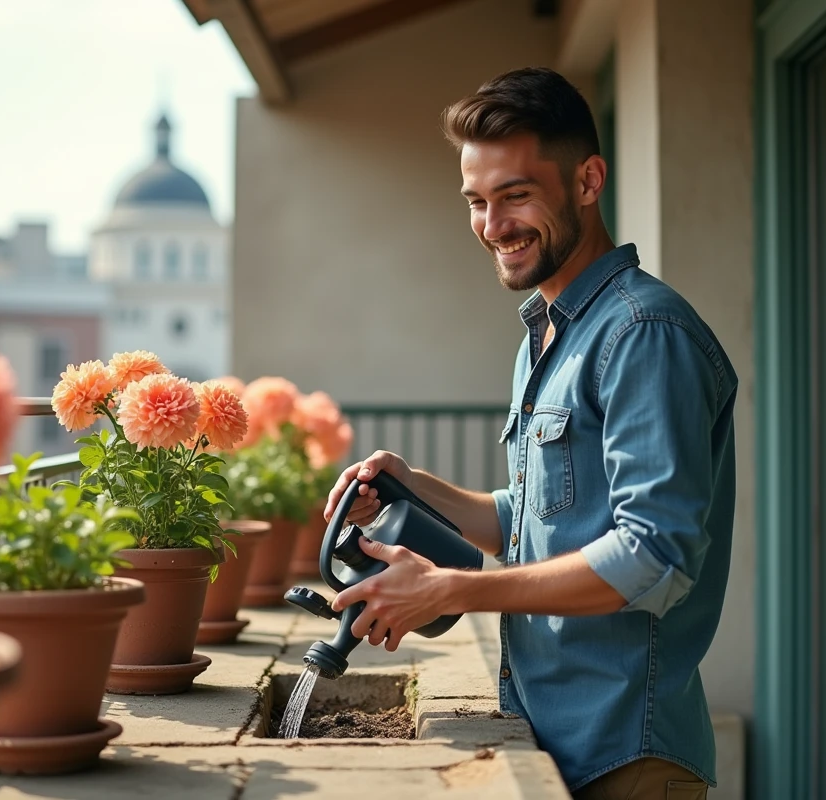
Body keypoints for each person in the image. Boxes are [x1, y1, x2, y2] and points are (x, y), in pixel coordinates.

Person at [322, 66, 737, 800]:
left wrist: (451, 590)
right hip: (554, 739)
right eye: (477, 202)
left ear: (587, 181)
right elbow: (539, 524)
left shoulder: (643, 333)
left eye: (515, 195)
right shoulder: (548, 336)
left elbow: (655, 554)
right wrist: (411, 484)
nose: (492, 225)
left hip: (625, 758)